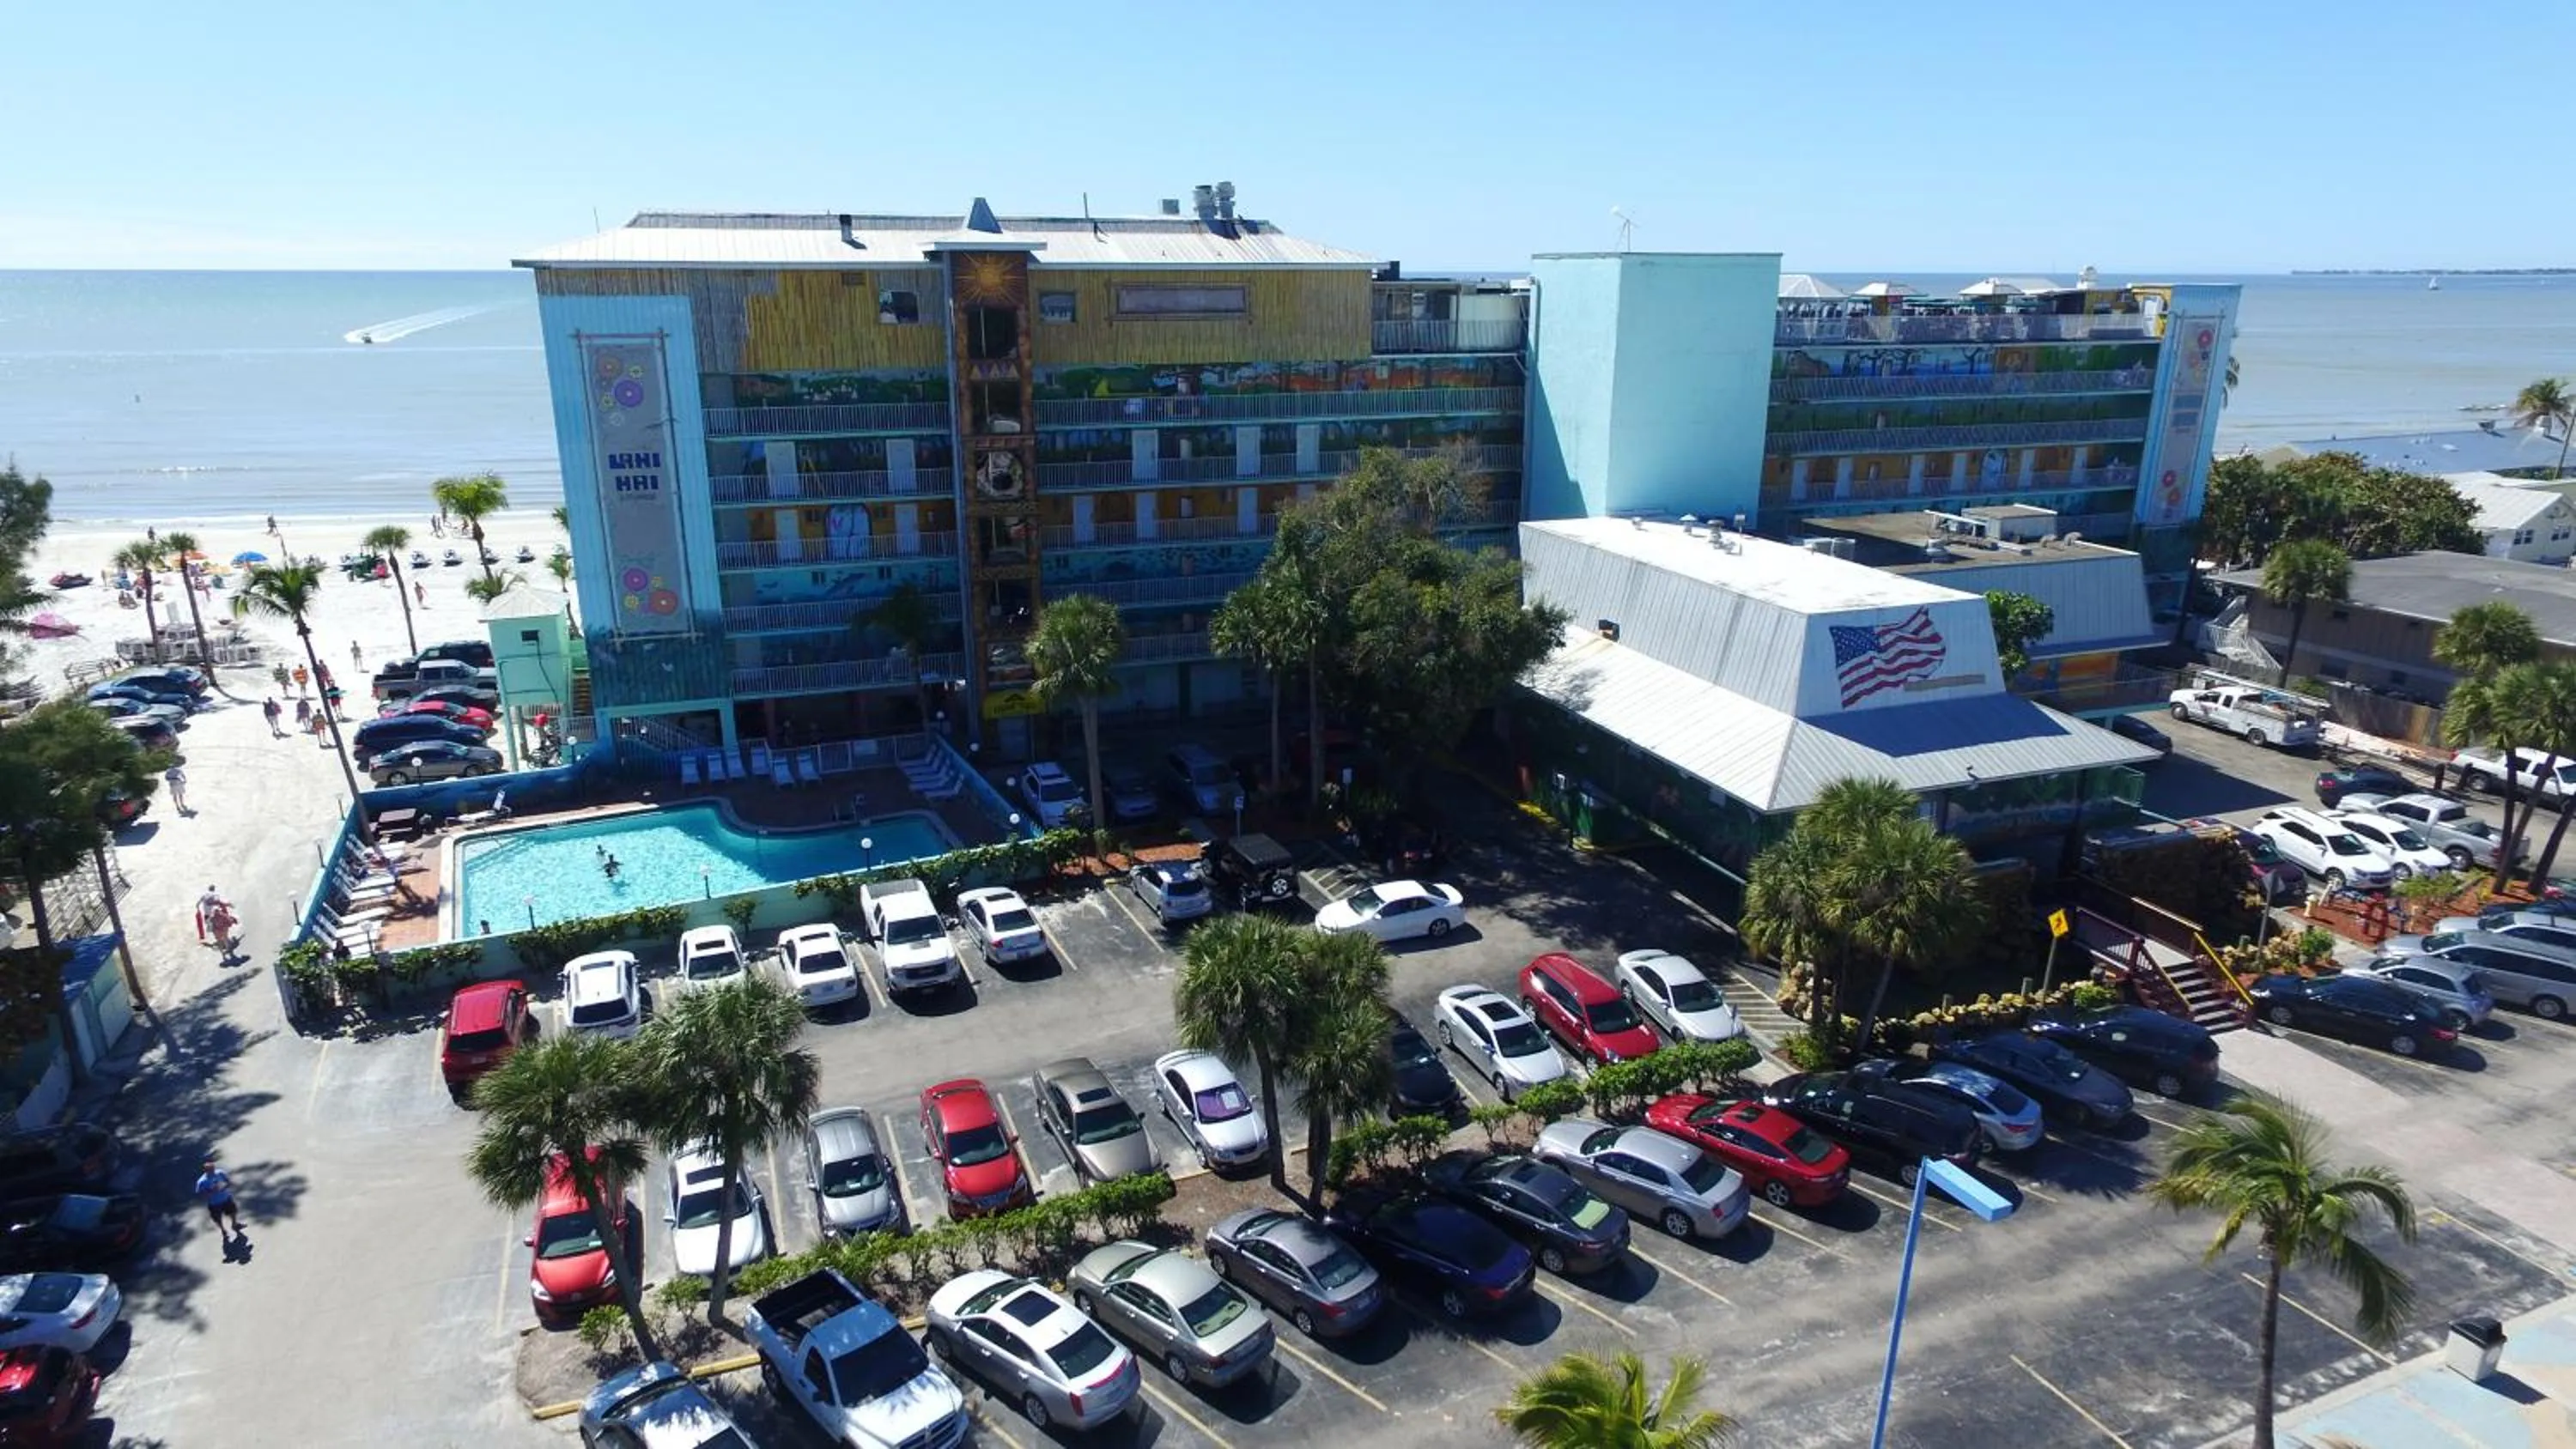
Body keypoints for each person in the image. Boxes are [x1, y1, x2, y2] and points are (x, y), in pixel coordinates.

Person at [195, 1157, 243, 1238]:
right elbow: (201, 1194)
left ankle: (234, 1225)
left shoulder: (220, 1173)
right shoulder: (202, 1182)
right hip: (214, 1203)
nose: (213, 1171)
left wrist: (227, 1185)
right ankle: (223, 1230)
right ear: (206, 1171)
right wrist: (212, 1191)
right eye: (210, 1170)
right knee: (217, 1218)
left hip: (226, 1198)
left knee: (233, 1212)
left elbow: (228, 1181)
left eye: (213, 1169)